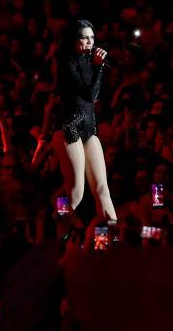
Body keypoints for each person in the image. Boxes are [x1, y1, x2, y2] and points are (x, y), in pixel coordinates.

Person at [52, 19, 117, 221]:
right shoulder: (65, 61)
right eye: (85, 37)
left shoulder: (91, 61)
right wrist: (98, 69)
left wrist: (98, 67)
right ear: (73, 39)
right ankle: (58, 228)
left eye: (92, 38)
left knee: (102, 188)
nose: (90, 42)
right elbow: (88, 95)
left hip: (89, 129)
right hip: (69, 128)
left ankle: (108, 241)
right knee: (76, 191)